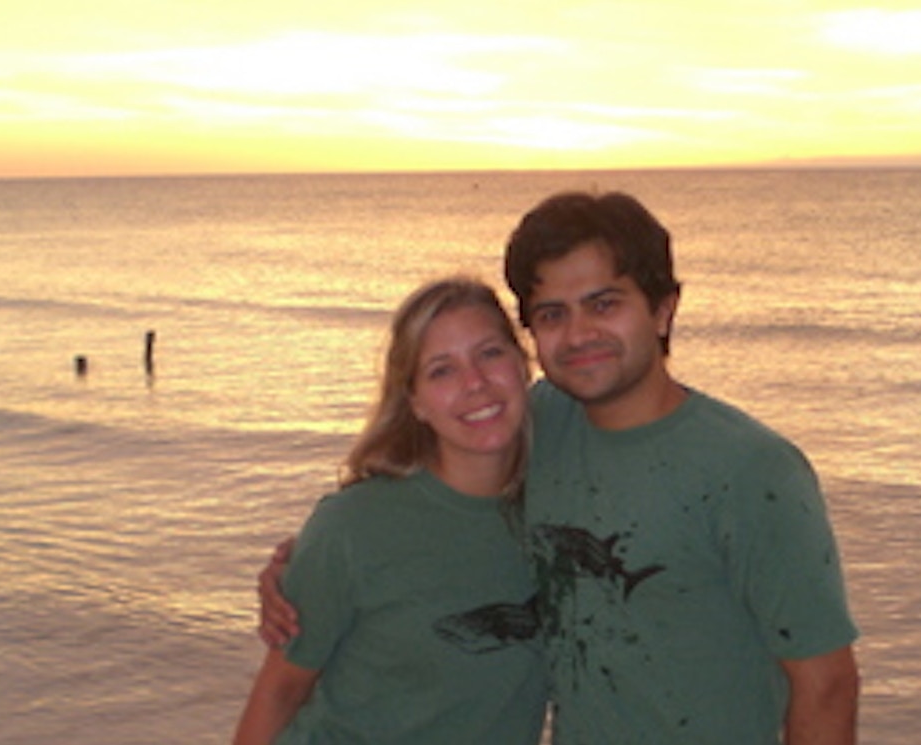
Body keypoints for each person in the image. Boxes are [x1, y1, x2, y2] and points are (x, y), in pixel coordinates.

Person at [261, 192, 860, 744]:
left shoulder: (753, 470)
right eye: (552, 314)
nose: (579, 334)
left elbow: (826, 684)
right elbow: (431, 509)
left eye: (604, 304)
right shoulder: (539, 421)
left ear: (662, 309)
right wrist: (307, 566)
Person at [234, 277, 547, 745]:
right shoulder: (353, 526)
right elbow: (280, 692)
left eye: (490, 353)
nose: (475, 383)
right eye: (442, 370)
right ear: (415, 402)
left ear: (523, 366)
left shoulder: (564, 504)